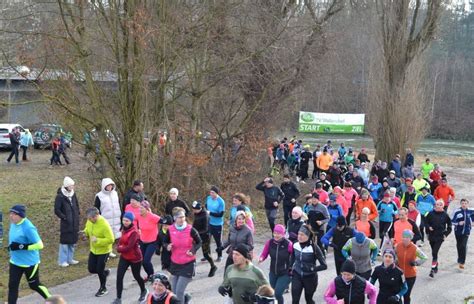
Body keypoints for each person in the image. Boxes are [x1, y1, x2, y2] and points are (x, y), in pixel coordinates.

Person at [8, 204, 51, 303]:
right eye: (11, 213)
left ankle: (52, 300)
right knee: (12, 286)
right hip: (15, 261)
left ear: (21, 215)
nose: (11, 216)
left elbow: (40, 245)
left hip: (30, 263)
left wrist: (21, 246)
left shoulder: (28, 227)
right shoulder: (13, 223)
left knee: (34, 285)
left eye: (14, 214)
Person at [163, 207, 202, 304]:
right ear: (175, 218)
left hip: (188, 264)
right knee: (173, 292)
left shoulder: (190, 229)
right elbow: (164, 242)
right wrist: (167, 246)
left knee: (179, 291)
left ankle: (184, 299)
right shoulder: (170, 229)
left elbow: (199, 242)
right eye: (179, 217)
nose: (182, 219)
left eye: (183, 217)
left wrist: (193, 250)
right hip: (175, 263)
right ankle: (186, 299)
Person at [112, 212, 147, 304]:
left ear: (131, 221)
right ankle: (118, 298)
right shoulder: (123, 229)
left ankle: (143, 290)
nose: (125, 222)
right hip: (125, 257)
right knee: (119, 277)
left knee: (136, 276)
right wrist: (119, 246)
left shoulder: (134, 232)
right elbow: (120, 241)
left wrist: (119, 249)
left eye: (127, 221)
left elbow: (129, 247)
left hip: (135, 257)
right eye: (124, 220)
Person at [290, 225, 327, 304]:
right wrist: (290, 268)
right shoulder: (295, 244)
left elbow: (324, 265)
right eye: (299, 234)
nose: (299, 236)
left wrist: (312, 269)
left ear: (308, 236)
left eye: (302, 235)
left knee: (309, 300)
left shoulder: (314, 248)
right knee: (295, 300)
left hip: (310, 278)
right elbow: (292, 257)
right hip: (297, 275)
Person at [82, 207, 115, 297]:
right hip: (93, 249)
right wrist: (85, 234)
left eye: (90, 218)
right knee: (91, 269)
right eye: (88, 219)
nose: (89, 220)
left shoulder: (104, 224)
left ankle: (103, 288)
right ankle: (105, 273)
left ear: (96, 216)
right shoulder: (90, 221)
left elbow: (111, 239)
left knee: (99, 270)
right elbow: (87, 229)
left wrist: (98, 240)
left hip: (104, 251)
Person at [259, 224, 293, 304]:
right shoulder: (270, 242)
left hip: (285, 273)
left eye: (279, 233)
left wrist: (293, 268)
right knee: (272, 293)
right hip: (273, 272)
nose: (276, 235)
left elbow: (295, 256)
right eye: (275, 233)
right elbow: (264, 253)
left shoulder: (288, 244)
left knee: (278, 293)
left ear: (283, 234)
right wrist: (261, 258)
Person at [395, 230, 427, 304]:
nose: (405, 239)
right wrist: (396, 261)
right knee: (398, 293)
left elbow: (425, 257)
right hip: (399, 274)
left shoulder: (415, 248)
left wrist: (416, 263)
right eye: (403, 237)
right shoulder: (398, 246)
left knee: (406, 294)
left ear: (411, 238)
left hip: (410, 276)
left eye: (407, 237)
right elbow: (393, 255)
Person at [54, 176, 80, 267]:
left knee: (72, 242)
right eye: (71, 186)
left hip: (74, 222)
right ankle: (62, 261)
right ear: (66, 186)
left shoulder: (73, 194)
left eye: (73, 186)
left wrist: (77, 214)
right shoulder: (60, 196)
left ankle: (70, 259)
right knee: (64, 243)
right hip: (66, 223)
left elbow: (76, 205)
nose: (72, 187)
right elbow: (57, 210)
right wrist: (64, 217)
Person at [94, 178, 121, 258]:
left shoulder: (115, 193)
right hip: (105, 219)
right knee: (105, 236)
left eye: (111, 185)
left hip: (115, 218)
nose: (110, 187)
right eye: (108, 186)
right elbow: (96, 208)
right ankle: (105, 253)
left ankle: (110, 251)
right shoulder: (99, 196)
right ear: (104, 186)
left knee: (112, 236)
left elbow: (118, 205)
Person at [426, 199, 452, 277]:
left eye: (440, 205)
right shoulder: (430, 213)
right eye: (437, 204)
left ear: (443, 206)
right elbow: (426, 223)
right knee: (434, 252)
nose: (439, 206)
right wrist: (428, 227)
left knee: (434, 252)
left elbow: (450, 226)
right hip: (431, 236)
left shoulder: (445, 215)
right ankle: (436, 265)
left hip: (440, 236)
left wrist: (445, 235)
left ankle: (432, 269)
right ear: (435, 205)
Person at [191, 200, 217, 277]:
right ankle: (192, 270)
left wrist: (195, 232)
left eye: (195, 209)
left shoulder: (205, 215)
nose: (194, 211)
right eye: (193, 209)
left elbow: (205, 229)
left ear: (200, 208)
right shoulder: (196, 213)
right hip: (196, 236)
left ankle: (213, 267)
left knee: (206, 255)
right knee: (192, 252)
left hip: (205, 237)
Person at [138, 200, 160, 281]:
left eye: (142, 208)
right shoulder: (139, 216)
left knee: (146, 260)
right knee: (142, 260)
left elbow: (165, 221)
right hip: (143, 241)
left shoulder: (152, 216)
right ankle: (149, 275)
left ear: (146, 209)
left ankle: (152, 275)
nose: (140, 209)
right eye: (139, 208)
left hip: (153, 241)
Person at [452, 198, 474, 269]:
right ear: (460, 204)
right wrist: (458, 223)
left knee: (463, 245)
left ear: (468, 204)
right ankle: (459, 258)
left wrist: (472, 222)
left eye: (465, 203)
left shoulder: (471, 211)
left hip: (466, 232)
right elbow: (452, 221)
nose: (464, 205)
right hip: (457, 232)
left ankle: (462, 262)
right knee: (459, 245)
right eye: (462, 203)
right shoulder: (457, 211)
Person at [205, 186, 226, 262]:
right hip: (209, 223)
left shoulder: (221, 201)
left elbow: (220, 214)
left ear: (216, 193)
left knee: (218, 241)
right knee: (207, 240)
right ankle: (207, 255)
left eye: (213, 192)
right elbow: (206, 206)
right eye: (210, 192)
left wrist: (210, 213)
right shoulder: (208, 198)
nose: (211, 194)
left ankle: (219, 255)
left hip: (217, 224)